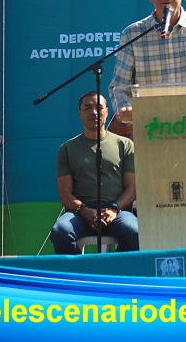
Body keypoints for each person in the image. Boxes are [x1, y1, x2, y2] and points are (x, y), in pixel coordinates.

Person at [50, 92, 139, 254]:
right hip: (80, 213)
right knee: (60, 231)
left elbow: (132, 187)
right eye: (88, 108)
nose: (94, 112)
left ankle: (113, 269)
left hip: (117, 212)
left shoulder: (125, 145)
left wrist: (114, 209)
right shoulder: (67, 149)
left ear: (107, 111)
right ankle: (79, 270)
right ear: (80, 113)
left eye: (99, 108)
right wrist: (84, 211)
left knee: (134, 231)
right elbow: (65, 193)